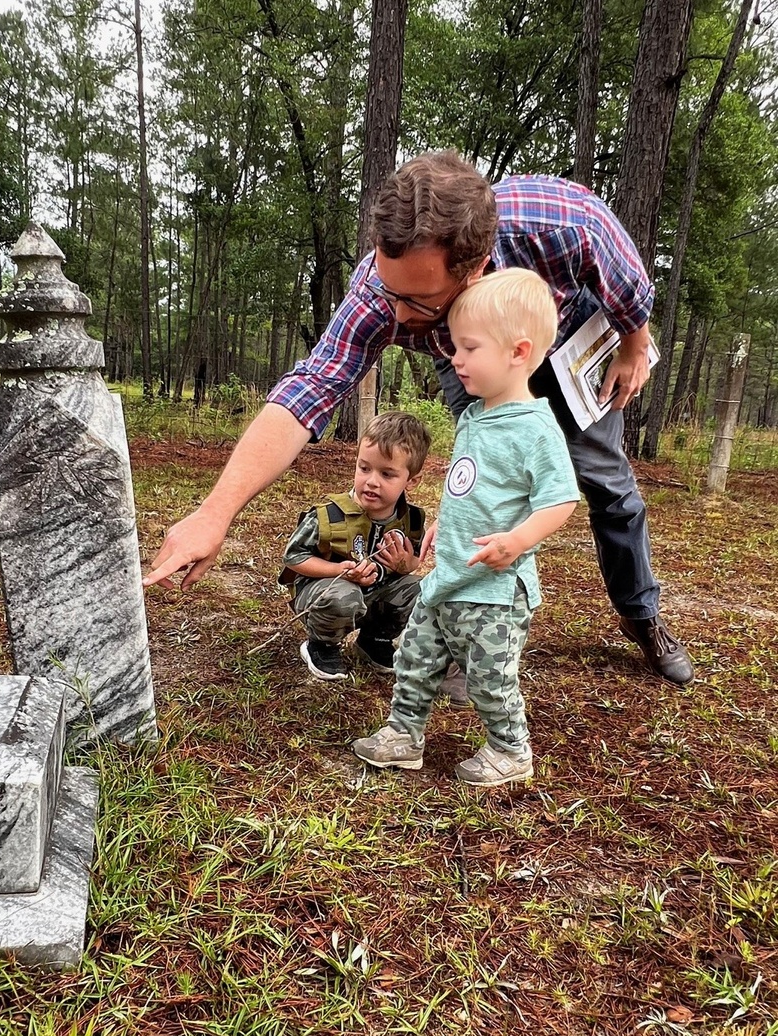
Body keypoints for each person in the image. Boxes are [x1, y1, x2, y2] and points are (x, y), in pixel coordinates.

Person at [144, 150, 694, 687]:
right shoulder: (382, 291)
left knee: (606, 484)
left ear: (476, 268)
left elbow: (627, 283)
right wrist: (216, 512)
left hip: (568, 340)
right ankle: (468, 633)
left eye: (419, 301)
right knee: (481, 485)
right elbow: (311, 386)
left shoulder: (558, 224)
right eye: (390, 289)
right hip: (468, 345)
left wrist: (633, 345)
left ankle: (641, 616)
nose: (396, 314)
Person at [351, 269, 578, 784]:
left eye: (469, 348)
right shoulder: (474, 416)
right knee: (414, 656)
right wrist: (443, 528)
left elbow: (560, 500)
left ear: (517, 353)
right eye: (454, 346)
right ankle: (404, 735)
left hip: (495, 591)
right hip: (447, 579)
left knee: (490, 678)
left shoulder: (537, 429)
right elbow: (470, 486)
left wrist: (516, 541)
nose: (455, 359)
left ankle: (510, 750)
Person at [281, 411, 430, 682]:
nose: (372, 481)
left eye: (387, 474)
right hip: (324, 594)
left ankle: (374, 640)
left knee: (425, 590)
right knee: (343, 595)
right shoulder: (329, 514)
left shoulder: (412, 519)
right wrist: (338, 569)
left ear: (412, 480)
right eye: (364, 468)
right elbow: (293, 557)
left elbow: (413, 563)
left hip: (374, 596)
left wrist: (404, 564)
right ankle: (322, 644)